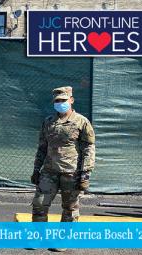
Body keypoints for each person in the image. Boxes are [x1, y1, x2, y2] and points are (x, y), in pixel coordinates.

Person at [30, 86, 95, 251]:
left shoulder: (81, 122)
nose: (60, 103)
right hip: (49, 172)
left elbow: (89, 149)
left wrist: (85, 175)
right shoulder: (48, 122)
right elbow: (42, 148)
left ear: (71, 100)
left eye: (63, 100)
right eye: (57, 101)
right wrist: (36, 170)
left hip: (71, 173)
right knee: (39, 204)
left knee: (70, 208)